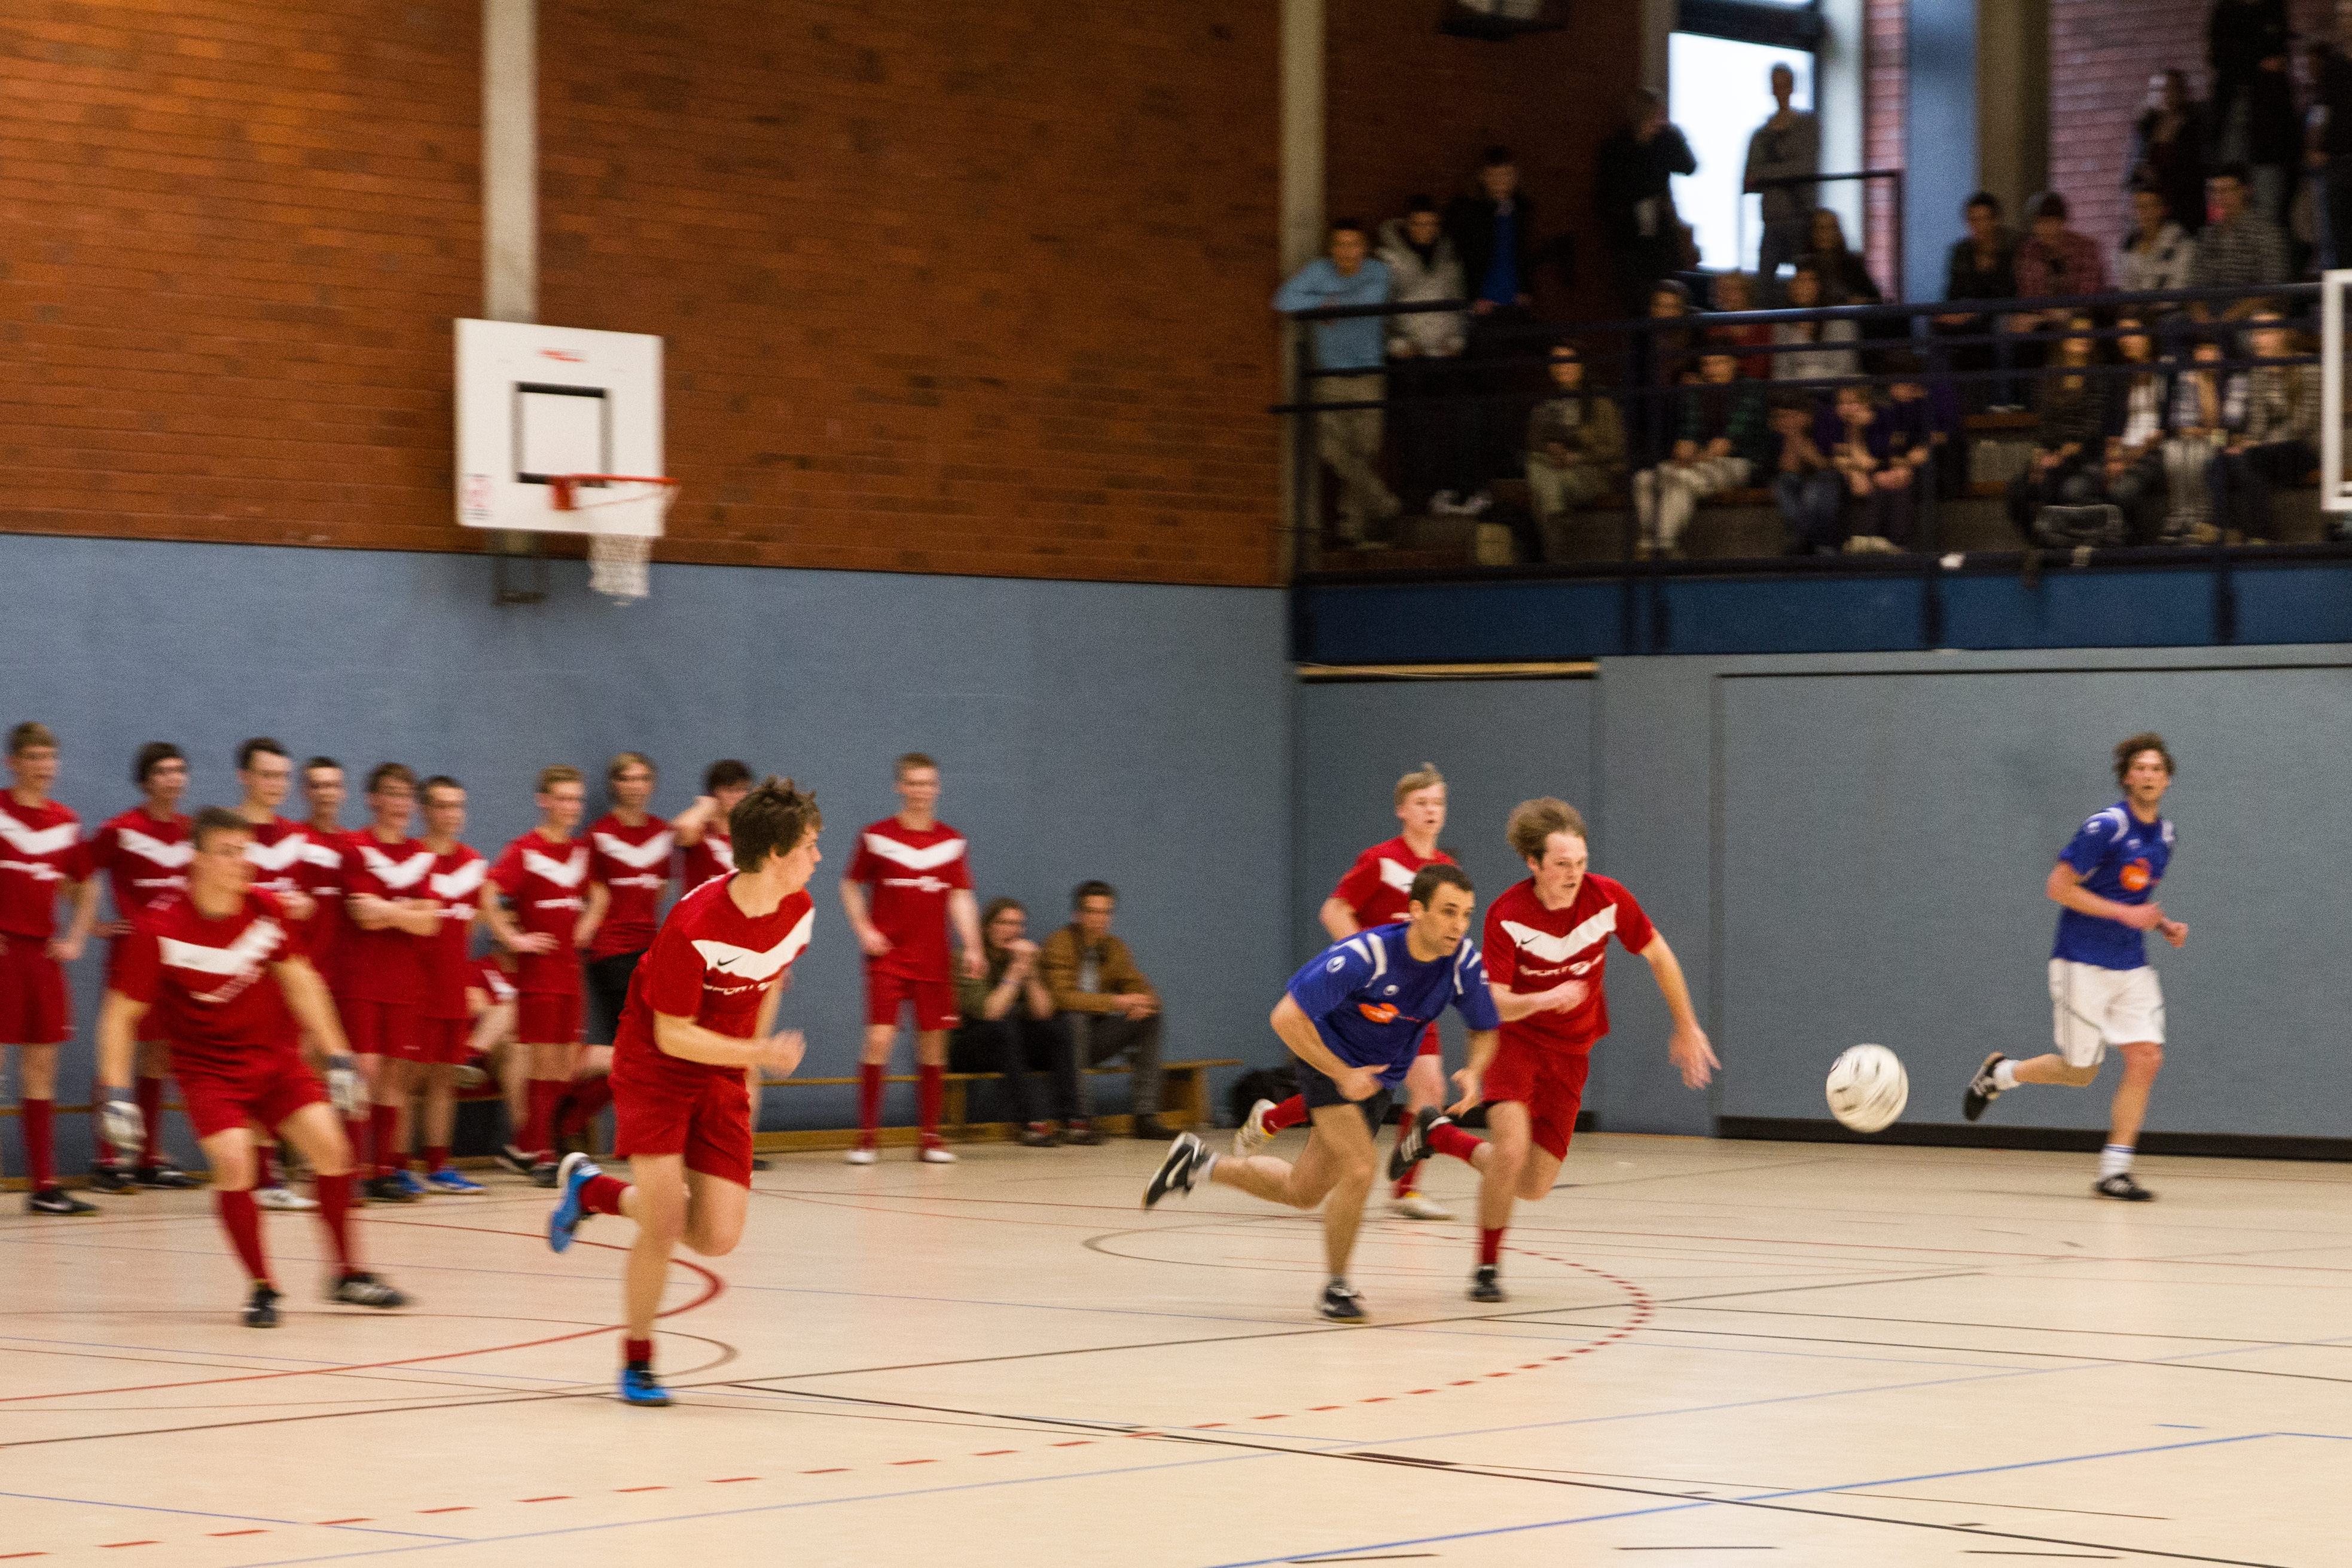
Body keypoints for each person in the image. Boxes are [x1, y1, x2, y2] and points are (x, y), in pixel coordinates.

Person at [545, 777, 818, 1405]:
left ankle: (591, 1189)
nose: (817, 857)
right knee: (665, 1220)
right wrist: (757, 1055)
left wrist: (752, 1057)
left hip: (723, 1066)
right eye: (809, 845)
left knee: (718, 1236)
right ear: (775, 854)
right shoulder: (694, 923)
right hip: (656, 1064)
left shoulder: (798, 910)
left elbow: (769, 980)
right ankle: (638, 1363)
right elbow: (672, 1035)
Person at [1142, 864, 1502, 1323]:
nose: (1458, 925)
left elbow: (1484, 1029)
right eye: (1448, 912)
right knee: (1360, 1167)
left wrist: (1474, 1071)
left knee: (1303, 1191)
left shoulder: (1461, 963)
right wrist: (1342, 1072)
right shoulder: (1365, 956)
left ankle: (1198, 1164)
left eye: (1466, 914)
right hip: (1325, 1061)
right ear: (1416, 911)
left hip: (1378, 1081)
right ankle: (1336, 1287)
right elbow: (1285, 1018)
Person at [1390, 797, 1716, 1301]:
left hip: (1571, 1052)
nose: (1574, 874)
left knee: (1532, 1184)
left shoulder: (1608, 899)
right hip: (1515, 1043)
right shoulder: (1507, 914)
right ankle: (1486, 1269)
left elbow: (1658, 954)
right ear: (1534, 863)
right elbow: (1495, 1002)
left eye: (1581, 862)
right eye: (1562, 864)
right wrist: (1543, 999)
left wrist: (1686, 1024)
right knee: (1510, 1151)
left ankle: (1439, 1134)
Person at [98, 807, 408, 1323]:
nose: (240, 862)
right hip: (208, 1071)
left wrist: (338, 1056)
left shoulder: (266, 910)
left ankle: (348, 1275)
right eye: (226, 852)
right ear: (197, 859)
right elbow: (119, 1016)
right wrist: (115, 1093)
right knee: (235, 1161)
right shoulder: (158, 927)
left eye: (244, 851)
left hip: (275, 1061)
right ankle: (262, 1286)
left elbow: (303, 983)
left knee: (333, 1149)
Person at [1964, 736, 2186, 1202]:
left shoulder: (2165, 836)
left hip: (2131, 964)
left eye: (2156, 769)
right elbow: (2058, 887)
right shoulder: (2105, 827)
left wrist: (2161, 924)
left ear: (2167, 779)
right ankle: (2001, 1074)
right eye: (2140, 768)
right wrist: (2126, 914)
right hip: (2080, 960)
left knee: (2146, 1057)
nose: (2148, 775)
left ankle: (2114, 1172)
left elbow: (2134, 896)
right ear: (2127, 778)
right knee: (2079, 1070)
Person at [1235, 763, 1459, 1220]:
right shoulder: (1380, 860)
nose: (1431, 811)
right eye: (1421, 803)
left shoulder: (1445, 870)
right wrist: (1367, 965)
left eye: (1437, 803)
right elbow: (1334, 911)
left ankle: (1406, 1191)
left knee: (1431, 1087)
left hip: (1417, 999)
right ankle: (1271, 1118)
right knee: (1355, 1089)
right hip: (1372, 1004)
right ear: (1401, 810)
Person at [841, 752, 983, 1164]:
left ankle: (930, 1138)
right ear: (899, 787)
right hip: (887, 957)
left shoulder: (952, 842)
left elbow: (961, 897)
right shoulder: (875, 836)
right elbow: (849, 885)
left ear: (937, 788)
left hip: (934, 960)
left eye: (928, 784)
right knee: (879, 1038)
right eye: (914, 783)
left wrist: (973, 945)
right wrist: (865, 930)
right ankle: (867, 1138)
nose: (921, 791)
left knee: (933, 1047)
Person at [83, 742, 202, 1194]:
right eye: (164, 771)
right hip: (131, 957)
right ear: (145, 780)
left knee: (160, 1054)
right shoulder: (121, 829)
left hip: (175, 961)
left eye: (180, 770)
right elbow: (75, 871)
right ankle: (107, 1160)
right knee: (117, 1053)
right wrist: (91, 924)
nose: (174, 778)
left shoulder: (192, 833)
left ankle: (149, 1158)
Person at [1, 722, 99, 1215]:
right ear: (13, 762)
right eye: (34, 757)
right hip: (4, 955)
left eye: (49, 757)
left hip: (41, 957)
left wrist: (77, 936)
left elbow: (86, 884)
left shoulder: (65, 821)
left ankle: (44, 1186)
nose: (44, 766)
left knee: (41, 1069)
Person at [482, 764, 592, 1184]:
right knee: (543, 1065)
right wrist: (514, 938)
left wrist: (587, 924)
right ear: (543, 801)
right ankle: (543, 1155)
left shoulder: (580, 852)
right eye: (562, 799)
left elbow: (599, 894)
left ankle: (523, 1146)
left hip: (570, 975)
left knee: (564, 1068)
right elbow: (488, 893)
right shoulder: (524, 849)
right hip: (540, 975)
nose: (571, 807)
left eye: (576, 799)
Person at [230, 737, 324, 1212]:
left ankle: (272, 1173)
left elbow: (308, 901)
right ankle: (260, 1174)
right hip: (240, 972)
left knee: (281, 1071)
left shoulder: (296, 837)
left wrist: (302, 905)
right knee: (246, 1073)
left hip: (284, 972)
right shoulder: (228, 834)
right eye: (266, 775)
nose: (276, 784)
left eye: (282, 776)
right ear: (244, 777)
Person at [340, 762, 440, 1202]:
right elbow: (363, 915)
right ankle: (349, 1170)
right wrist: (408, 911)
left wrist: (389, 910)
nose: (400, 803)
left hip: (406, 983)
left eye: (406, 795)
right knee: (363, 1073)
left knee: (395, 1076)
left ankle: (382, 1170)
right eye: (392, 794)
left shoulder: (421, 854)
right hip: (362, 981)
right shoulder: (356, 847)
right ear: (373, 799)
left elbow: (431, 923)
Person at [1273, 219, 1401, 548]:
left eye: (1353, 244)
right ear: (1332, 249)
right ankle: (1383, 504)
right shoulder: (1319, 271)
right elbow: (1283, 299)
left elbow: (1370, 299)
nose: (1347, 251)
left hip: (1369, 377)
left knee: (1363, 453)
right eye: (1341, 245)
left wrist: (1330, 302)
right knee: (1330, 449)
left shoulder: (1378, 272)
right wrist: (1319, 305)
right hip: (1329, 377)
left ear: (1364, 248)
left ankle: (1351, 529)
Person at [575, 752, 672, 1161]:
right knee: (637, 1051)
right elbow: (589, 892)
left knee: (642, 1052)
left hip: (650, 951)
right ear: (615, 784)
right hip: (612, 952)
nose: (636, 786)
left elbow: (660, 889)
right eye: (627, 779)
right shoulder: (599, 834)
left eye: (643, 778)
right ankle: (619, 1134)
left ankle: (573, 1121)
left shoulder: (662, 833)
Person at [1446, 150, 1548, 490]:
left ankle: (1510, 462)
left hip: (1513, 307)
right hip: (1486, 310)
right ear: (1483, 178)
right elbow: (1468, 257)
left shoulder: (1520, 210)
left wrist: (1524, 290)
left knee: (1517, 379)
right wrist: (1475, 296)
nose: (1501, 182)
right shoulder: (1471, 212)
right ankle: (1488, 469)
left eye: (1507, 175)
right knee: (1489, 388)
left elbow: (1520, 254)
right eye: (1494, 176)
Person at [408, 775, 488, 1194]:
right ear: (425, 810)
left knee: (444, 1079)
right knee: (407, 1081)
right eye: (442, 806)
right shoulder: (412, 860)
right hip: (415, 989)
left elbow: (470, 926)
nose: (451, 814)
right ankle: (396, 1165)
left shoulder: (473, 862)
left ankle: (439, 1165)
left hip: (452, 989)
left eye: (457, 806)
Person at [1041, 880, 1167, 1139]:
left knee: (1150, 1019)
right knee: (1074, 1018)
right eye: (1092, 912)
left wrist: (1145, 1002)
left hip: (1094, 1038)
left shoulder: (1115, 948)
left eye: (1106, 912)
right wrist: (1117, 1003)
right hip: (1057, 1041)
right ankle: (1081, 1118)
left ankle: (1145, 1117)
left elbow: (1142, 988)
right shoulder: (1059, 943)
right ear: (1077, 915)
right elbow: (1061, 998)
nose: (1099, 919)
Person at [1378, 199, 1474, 511]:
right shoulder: (1390, 259)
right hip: (1410, 356)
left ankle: (1457, 488)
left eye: (1431, 224)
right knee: (1415, 423)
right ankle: (1424, 491)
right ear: (1408, 225)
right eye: (1419, 224)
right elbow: (1383, 308)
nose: (1425, 230)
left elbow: (1459, 301)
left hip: (1445, 353)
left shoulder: (1448, 257)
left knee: (1460, 416)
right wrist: (1399, 344)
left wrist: (1457, 340)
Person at [951, 898, 1072, 1147]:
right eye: (1004, 923)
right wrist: (1016, 971)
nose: (1012, 931)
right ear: (987, 927)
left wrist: (1031, 974)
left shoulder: (1019, 957)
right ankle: (1030, 1123)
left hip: (1008, 1042)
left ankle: (1073, 1119)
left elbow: (1043, 1012)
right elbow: (990, 1012)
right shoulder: (968, 957)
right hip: (967, 1046)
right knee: (1003, 1025)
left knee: (1056, 1029)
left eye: (1017, 925)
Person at [1634, 349, 1772, 559]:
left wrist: (1697, 454)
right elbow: (1689, 431)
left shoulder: (1751, 389)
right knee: (1644, 478)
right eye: (1707, 364)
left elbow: (1728, 442)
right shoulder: (1697, 391)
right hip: (1700, 462)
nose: (1712, 370)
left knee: (1682, 479)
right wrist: (1685, 446)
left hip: (1741, 462)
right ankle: (1663, 547)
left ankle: (1655, 547)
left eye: (1719, 363)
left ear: (1733, 363)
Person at [2208, 309, 2319, 540]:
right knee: (2218, 464)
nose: (2257, 340)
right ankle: (2227, 533)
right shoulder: (2259, 372)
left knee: (2250, 459)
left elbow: (2303, 424)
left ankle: (2263, 536)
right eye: (2255, 334)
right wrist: (2248, 443)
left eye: (2265, 333)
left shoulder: (2309, 368)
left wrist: (2258, 445)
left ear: (2284, 335)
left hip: (2302, 448)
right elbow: (2257, 422)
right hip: (2266, 452)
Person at [2005, 319, 2112, 553]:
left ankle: (2053, 547)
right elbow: (2045, 422)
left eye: (2088, 334)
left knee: (2050, 483)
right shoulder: (2050, 376)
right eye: (2077, 334)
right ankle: (2036, 542)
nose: (2083, 339)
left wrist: (2064, 452)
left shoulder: (2097, 376)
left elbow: (2093, 426)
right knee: (2018, 489)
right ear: (2065, 340)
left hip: (2084, 452)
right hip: (2052, 450)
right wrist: (2042, 452)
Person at [1596, 92, 1697, 319]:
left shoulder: (1664, 141)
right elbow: (1608, 195)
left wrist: (1673, 136)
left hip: (1661, 238)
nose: (1660, 122)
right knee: (1638, 307)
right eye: (1656, 116)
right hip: (1630, 241)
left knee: (1672, 299)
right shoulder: (1617, 147)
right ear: (1642, 117)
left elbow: (1689, 166)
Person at [1521, 343, 1625, 562]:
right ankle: (1559, 529)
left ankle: (1555, 553)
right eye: (1557, 363)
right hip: (1553, 469)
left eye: (1569, 361)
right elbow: (1532, 445)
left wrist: (1576, 457)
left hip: (1590, 472)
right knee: (1537, 467)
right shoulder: (1546, 404)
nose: (1563, 367)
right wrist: (1550, 449)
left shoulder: (1599, 401)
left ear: (1581, 365)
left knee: (1545, 485)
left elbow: (1615, 448)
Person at [2207, 0, 2298, 222]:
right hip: (2233, 106)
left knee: (2267, 194)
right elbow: (2218, 55)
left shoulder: (2274, 9)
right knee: (2229, 185)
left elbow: (2278, 58)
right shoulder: (2225, 10)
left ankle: (2262, 242)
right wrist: (2259, 57)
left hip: (2268, 113)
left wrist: (2242, 54)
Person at [1936, 193, 2020, 411]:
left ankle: (2002, 400)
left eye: (1985, 219)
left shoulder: (2011, 250)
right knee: (1937, 326)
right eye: (1974, 220)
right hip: (1969, 312)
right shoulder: (1961, 251)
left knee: (2002, 326)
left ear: (1996, 220)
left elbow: (2009, 293)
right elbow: (1953, 292)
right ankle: (1944, 402)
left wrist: (1974, 310)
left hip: (1999, 313)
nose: (1980, 226)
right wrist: (1952, 312)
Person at [1743, 63, 1820, 290]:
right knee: (1764, 286)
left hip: (1799, 215)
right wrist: (1784, 170)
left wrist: (1767, 173)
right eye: (1776, 86)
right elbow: (1751, 176)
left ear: (1792, 87)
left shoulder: (1806, 126)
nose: (1780, 91)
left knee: (1806, 282)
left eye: (1784, 85)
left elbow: (1805, 168)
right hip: (1772, 218)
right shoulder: (1761, 135)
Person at [2102, 315, 2174, 544]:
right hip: (2124, 451)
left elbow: (2167, 427)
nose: (2126, 340)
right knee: (2078, 488)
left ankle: (2133, 549)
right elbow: (2113, 426)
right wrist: (2113, 457)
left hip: (2155, 452)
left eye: (2133, 334)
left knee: (2121, 491)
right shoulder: (2120, 376)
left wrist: (2130, 458)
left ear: (2149, 336)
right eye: (2122, 335)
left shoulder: (2166, 371)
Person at [2189, 165, 2292, 323]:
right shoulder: (2207, 234)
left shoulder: (2266, 231)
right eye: (2213, 191)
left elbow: (2271, 287)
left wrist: (2229, 317)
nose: (2218, 197)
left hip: (2252, 311)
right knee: (2173, 325)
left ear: (2245, 191)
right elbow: (2195, 284)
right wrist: (2200, 315)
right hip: (2213, 309)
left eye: (2225, 191)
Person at [1823, 383, 1917, 554]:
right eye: (1841, 403)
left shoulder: (1882, 417)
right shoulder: (1834, 420)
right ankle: (1864, 541)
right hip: (1847, 473)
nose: (1846, 408)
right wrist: (1854, 432)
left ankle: (1898, 546)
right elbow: (1839, 460)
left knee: (1898, 483)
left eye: (1852, 403)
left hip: (1880, 467)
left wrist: (1882, 471)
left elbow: (1874, 461)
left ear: (1866, 404)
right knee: (1857, 484)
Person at [2162, 335, 2239, 543]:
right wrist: (2201, 431)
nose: (2205, 356)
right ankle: (2179, 518)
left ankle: (2201, 520)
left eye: (2211, 350)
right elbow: (2180, 424)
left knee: (2199, 452)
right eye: (2201, 350)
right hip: (2195, 439)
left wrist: (2206, 387)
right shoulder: (2186, 379)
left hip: (2227, 441)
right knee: (2173, 450)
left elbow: (2228, 427)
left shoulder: (2234, 380)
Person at [2128, 70, 2208, 237]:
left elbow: (2196, 170)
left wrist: (2160, 176)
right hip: (2154, 206)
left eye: (2171, 89)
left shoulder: (2193, 126)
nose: (2167, 95)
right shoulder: (2149, 124)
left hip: (2183, 204)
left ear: (2182, 92)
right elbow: (2135, 165)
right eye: (2162, 90)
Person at [2013, 193, 2109, 321]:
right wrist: (2051, 314)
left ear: (2063, 222)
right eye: (2039, 223)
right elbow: (2030, 294)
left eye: (2050, 222)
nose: (2046, 229)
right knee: (2019, 322)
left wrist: (2064, 314)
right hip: (2043, 319)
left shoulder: (2085, 248)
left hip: (2083, 317)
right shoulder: (2029, 251)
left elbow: (2087, 294)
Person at [1769, 392, 1842, 554]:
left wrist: (1798, 439)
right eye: (1779, 417)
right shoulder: (1775, 435)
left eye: (1791, 416)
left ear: (1807, 416)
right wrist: (1791, 440)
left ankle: (1820, 545)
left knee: (1818, 487)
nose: (1784, 422)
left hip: (1827, 477)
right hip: (1799, 479)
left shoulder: (1824, 421)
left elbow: (1824, 465)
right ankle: (1808, 543)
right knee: (1784, 483)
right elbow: (1787, 468)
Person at [1771, 264, 1860, 386]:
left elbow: (1844, 369)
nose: (1802, 287)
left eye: (1809, 281)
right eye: (1797, 281)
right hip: (1797, 392)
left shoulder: (1840, 322)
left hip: (1835, 391)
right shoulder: (1783, 325)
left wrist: (1809, 380)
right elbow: (1781, 370)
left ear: (1820, 286)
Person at [673, 758, 753, 892]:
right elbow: (682, 831)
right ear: (713, 793)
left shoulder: (751, 835)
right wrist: (704, 807)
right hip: (701, 905)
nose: (735, 797)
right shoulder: (700, 831)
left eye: (740, 790)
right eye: (728, 790)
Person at [2311, 23, 2352, 270]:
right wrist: (2315, 143)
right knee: (2339, 232)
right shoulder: (2333, 66)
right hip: (2338, 160)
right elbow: (2321, 108)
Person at [2119, 185, 2198, 300]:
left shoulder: (2179, 241)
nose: (2142, 213)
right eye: (2138, 207)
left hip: (2170, 306)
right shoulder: (2129, 245)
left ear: (2162, 210)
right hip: (2138, 307)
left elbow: (2179, 285)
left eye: (2148, 207)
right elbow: (2127, 286)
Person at [1804, 208, 1883, 308]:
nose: (1827, 234)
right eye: (1822, 228)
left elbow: (1874, 299)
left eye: (1832, 228)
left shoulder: (1852, 265)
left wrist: (1859, 302)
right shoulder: (1804, 265)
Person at [1706, 271, 1774, 380]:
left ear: (1746, 292)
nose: (1726, 294)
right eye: (1721, 289)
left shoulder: (1765, 322)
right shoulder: (1715, 327)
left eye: (1733, 289)